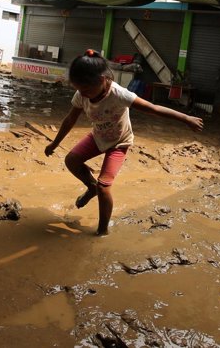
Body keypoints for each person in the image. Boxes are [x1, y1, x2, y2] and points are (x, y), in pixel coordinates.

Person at [44, 49, 204, 236]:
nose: (83, 94)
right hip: (98, 137)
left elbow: (153, 109)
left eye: (86, 89)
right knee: (71, 160)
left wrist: (186, 118)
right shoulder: (81, 95)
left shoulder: (119, 94)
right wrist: (54, 144)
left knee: (105, 187)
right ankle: (90, 187)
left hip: (119, 142)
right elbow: (69, 120)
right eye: (79, 89)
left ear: (103, 79)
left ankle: (102, 231)